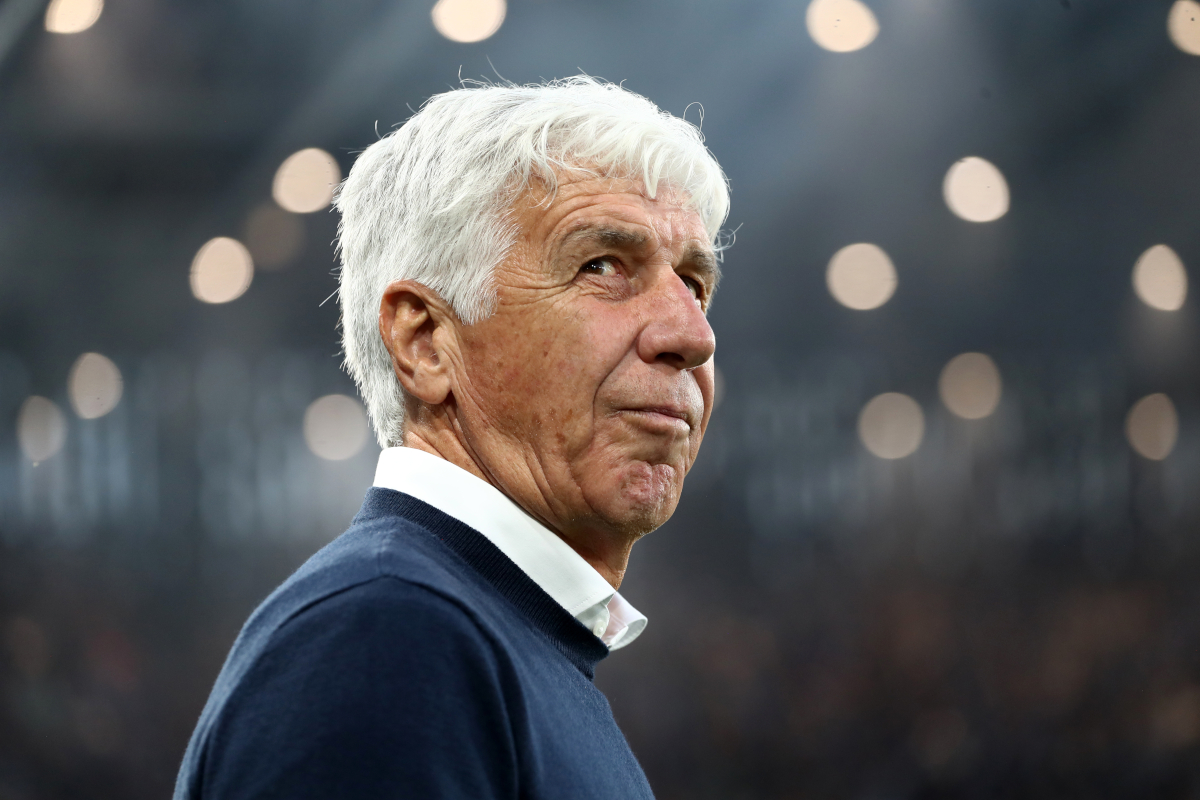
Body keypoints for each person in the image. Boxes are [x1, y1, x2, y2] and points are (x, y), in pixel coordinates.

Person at [173, 76, 730, 799]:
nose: (692, 335)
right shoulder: (387, 640)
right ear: (426, 341)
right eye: (603, 266)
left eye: (693, 282)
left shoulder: (473, 636)